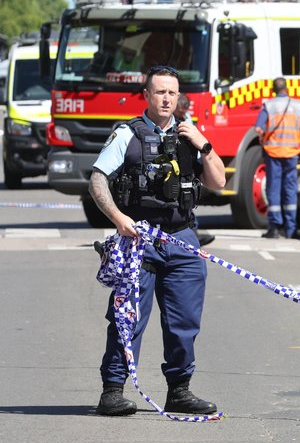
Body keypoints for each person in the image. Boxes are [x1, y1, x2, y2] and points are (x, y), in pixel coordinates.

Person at [88, 66, 226, 416]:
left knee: (184, 322)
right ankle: (113, 391)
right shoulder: (127, 135)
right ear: (146, 96)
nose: (167, 99)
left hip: (182, 240)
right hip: (140, 240)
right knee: (127, 317)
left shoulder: (189, 136)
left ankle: (179, 390)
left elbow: (219, 182)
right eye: (160, 92)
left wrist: (204, 146)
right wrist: (119, 220)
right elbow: (98, 180)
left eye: (173, 93)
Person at [253, 77, 300, 239]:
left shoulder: (269, 106)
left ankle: (274, 228)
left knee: (273, 189)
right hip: (292, 154)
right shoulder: (297, 105)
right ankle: (291, 229)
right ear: (286, 89)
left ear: (273, 90)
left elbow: (258, 128)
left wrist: (263, 136)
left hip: (273, 153)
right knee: (290, 190)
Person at [175, 93, 216, 247]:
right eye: (181, 111)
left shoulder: (186, 118)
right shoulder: (168, 120)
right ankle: (193, 234)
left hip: (187, 164)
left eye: (185, 110)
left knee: (188, 199)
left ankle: (194, 233)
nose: (183, 113)